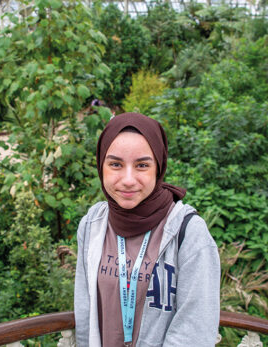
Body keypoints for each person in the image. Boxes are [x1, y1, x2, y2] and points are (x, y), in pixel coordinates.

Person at [74, 112, 220, 346]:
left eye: (142, 165)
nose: (128, 179)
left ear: (158, 167)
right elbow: (85, 315)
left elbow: (195, 330)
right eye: (115, 164)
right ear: (101, 166)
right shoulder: (92, 225)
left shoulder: (189, 232)